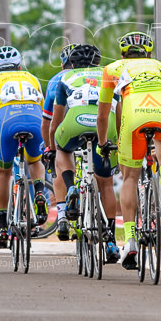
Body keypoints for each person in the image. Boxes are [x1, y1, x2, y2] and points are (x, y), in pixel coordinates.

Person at [98, 31, 161, 271]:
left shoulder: (112, 69)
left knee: (130, 178)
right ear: (149, 52)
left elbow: (103, 116)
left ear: (123, 53)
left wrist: (103, 143)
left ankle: (131, 239)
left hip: (133, 115)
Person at [50, 44, 120, 263]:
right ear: (98, 62)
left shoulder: (65, 77)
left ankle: (71, 187)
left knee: (62, 150)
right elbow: (119, 110)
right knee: (107, 184)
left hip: (74, 123)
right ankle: (110, 240)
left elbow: (56, 120)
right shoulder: (110, 74)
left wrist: (52, 148)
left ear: (71, 63)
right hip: (105, 126)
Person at [0, 45, 47, 249]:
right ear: (19, 67)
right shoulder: (32, 78)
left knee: (3, 172)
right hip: (36, 120)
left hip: (8, 122)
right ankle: (40, 193)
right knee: (35, 161)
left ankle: (1, 228)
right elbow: (45, 113)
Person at [41, 43, 77, 234]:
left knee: (59, 158)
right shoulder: (96, 74)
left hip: (65, 129)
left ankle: (62, 215)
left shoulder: (56, 80)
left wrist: (49, 147)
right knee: (101, 176)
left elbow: (46, 121)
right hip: (97, 126)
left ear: (63, 65)